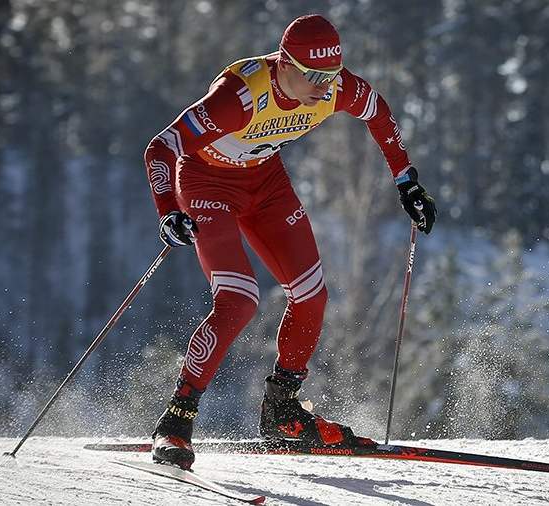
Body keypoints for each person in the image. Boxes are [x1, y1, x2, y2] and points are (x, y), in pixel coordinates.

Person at [143, 14, 437, 470]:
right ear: (284, 65)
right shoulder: (238, 98)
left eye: (333, 75)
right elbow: (161, 147)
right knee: (239, 301)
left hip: (265, 183)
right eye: (315, 76)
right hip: (206, 183)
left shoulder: (334, 87)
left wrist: (407, 181)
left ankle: (281, 410)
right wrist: (168, 212)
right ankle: (176, 421)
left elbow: (378, 112)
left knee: (312, 296)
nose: (326, 87)